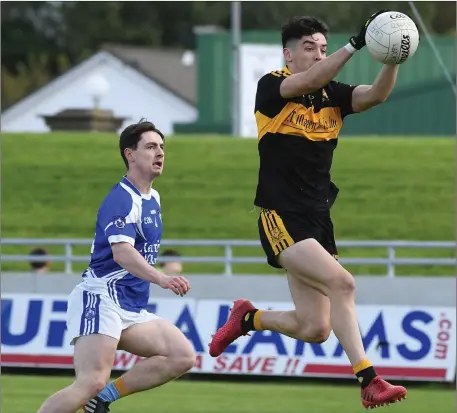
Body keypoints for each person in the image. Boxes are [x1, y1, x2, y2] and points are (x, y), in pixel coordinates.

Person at [209, 13, 407, 409]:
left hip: (318, 218)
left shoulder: (332, 94)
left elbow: (376, 96)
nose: (318, 55)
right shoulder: (272, 86)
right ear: (288, 54)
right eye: (309, 48)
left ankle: (248, 318)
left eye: (322, 47)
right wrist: (354, 44)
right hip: (281, 213)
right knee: (344, 284)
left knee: (316, 327)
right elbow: (308, 82)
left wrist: (393, 57)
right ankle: (369, 379)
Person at [36, 120, 195, 413]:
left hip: (131, 308)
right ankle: (97, 394)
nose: (159, 152)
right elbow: (122, 253)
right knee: (91, 381)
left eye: (161, 147)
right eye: (150, 147)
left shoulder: (153, 198)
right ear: (130, 155)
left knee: (181, 355)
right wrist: (162, 278)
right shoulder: (121, 198)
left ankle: (103, 400)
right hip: (101, 298)